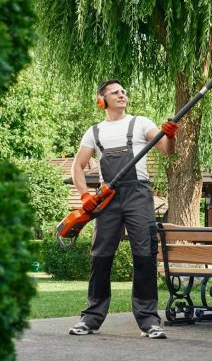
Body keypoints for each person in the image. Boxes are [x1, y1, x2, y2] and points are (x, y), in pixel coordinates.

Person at [69, 79, 177, 339]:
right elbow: (77, 167)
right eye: (114, 92)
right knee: (100, 256)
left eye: (123, 91)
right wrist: (85, 196)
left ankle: (149, 321)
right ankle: (90, 319)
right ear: (102, 101)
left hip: (138, 195)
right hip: (108, 199)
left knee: (144, 254)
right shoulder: (94, 131)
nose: (121, 95)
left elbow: (167, 150)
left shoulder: (141, 123)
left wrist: (171, 135)